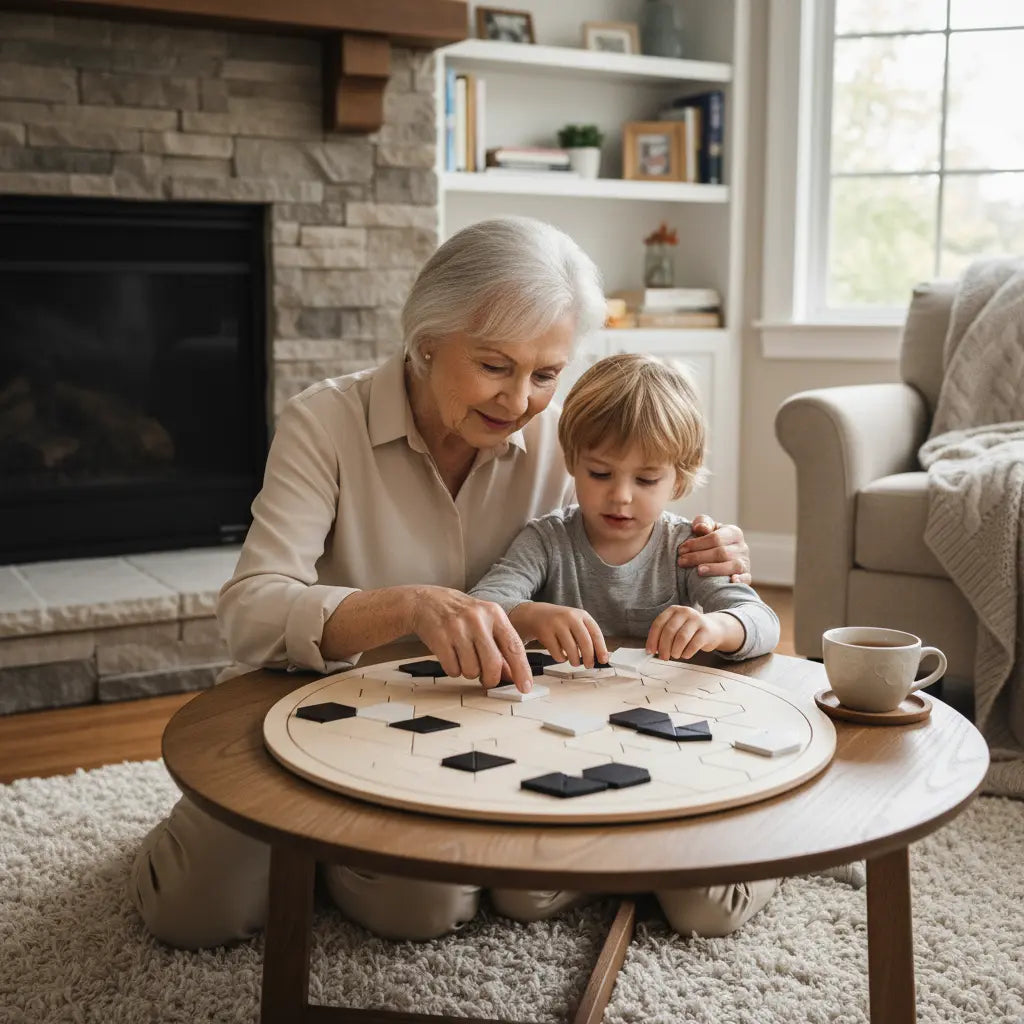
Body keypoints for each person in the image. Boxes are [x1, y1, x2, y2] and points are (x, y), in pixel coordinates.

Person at [128, 216, 753, 950]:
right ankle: (302, 844)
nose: (520, 400)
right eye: (495, 366)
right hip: (309, 702)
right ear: (426, 341)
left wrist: (709, 545)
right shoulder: (324, 423)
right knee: (193, 913)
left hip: (483, 717)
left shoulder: (571, 440)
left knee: (419, 911)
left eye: (546, 374)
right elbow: (249, 611)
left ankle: (332, 857)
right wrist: (406, 607)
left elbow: (638, 517)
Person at [468, 352, 781, 934]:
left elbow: (760, 622)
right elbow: (487, 603)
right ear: (572, 464)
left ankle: (778, 847)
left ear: (681, 478)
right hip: (570, 755)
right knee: (519, 898)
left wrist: (714, 626)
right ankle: (629, 865)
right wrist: (533, 614)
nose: (620, 497)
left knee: (705, 912)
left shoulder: (689, 547)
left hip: (678, 753)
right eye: (600, 473)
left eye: (646, 479)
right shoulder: (547, 541)